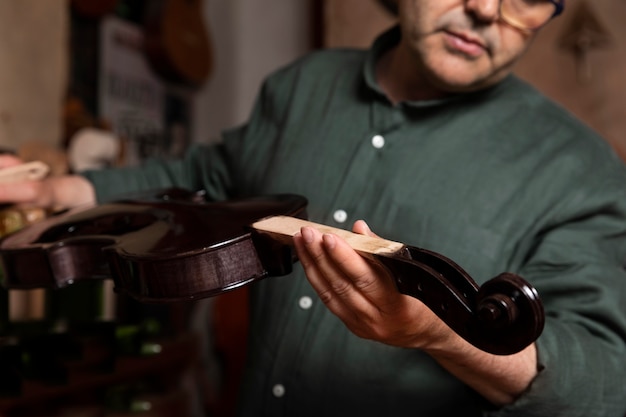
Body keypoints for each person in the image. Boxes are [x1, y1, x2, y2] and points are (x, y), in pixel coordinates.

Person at [2, 0, 626, 415]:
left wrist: (443, 335)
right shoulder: (302, 85)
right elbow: (203, 174)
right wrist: (58, 190)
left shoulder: (581, 168)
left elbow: (605, 377)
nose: (487, 8)